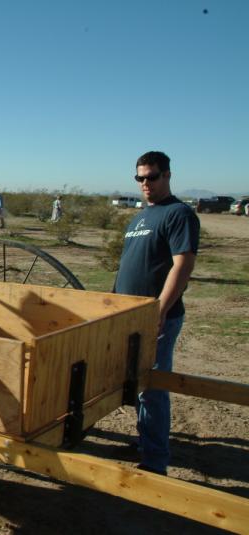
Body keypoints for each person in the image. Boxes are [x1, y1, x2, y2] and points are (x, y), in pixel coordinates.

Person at [114, 151, 199, 476]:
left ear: (167, 175)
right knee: (135, 382)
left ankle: (154, 462)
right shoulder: (140, 218)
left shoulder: (179, 214)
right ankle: (146, 441)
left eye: (151, 177)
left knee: (152, 387)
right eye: (140, 178)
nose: (145, 183)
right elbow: (128, 265)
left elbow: (183, 264)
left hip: (157, 317)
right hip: (129, 315)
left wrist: (160, 310)